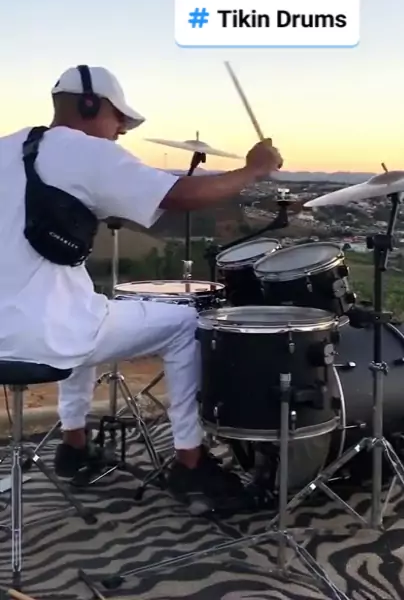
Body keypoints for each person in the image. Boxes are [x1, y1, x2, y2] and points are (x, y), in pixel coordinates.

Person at [0, 65, 283, 513]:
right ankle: (190, 462)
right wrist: (253, 169)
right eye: (119, 120)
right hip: (45, 337)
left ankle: (74, 446)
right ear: (91, 105)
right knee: (185, 320)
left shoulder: (8, 148)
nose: (120, 132)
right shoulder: (85, 150)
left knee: (84, 307)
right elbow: (179, 195)